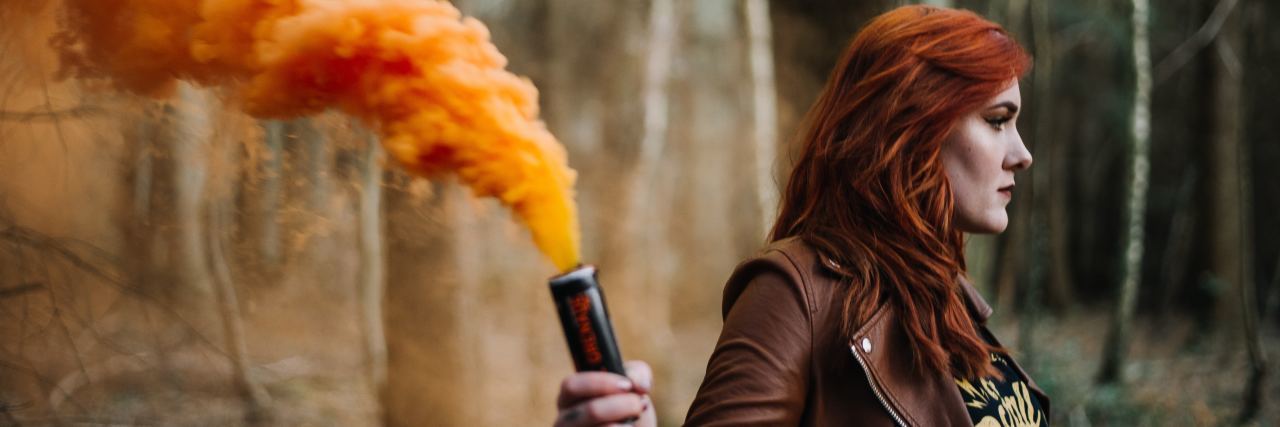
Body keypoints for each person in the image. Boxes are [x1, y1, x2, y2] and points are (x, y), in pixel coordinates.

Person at [553, 5, 1050, 426]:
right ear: (914, 126)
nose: (1022, 154)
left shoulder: (943, 294)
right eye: (997, 121)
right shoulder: (796, 292)